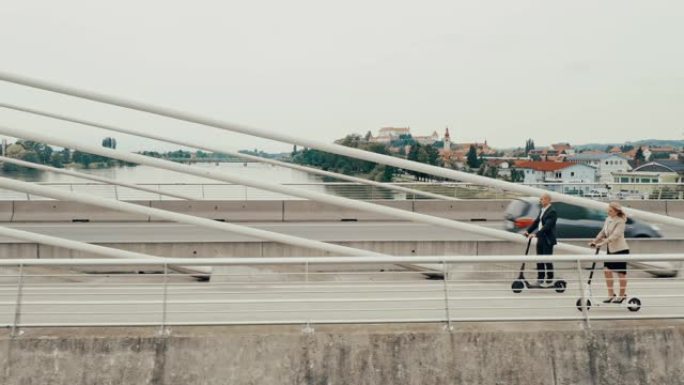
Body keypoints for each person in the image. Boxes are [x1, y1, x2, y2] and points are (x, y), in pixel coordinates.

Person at [590, 201, 630, 304]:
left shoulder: (620, 221)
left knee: (621, 273)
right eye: (608, 210)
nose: (608, 212)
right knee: (607, 271)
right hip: (611, 250)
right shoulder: (608, 219)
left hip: (620, 250)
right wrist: (595, 241)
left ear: (616, 211)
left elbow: (615, 235)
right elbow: (603, 232)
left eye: (610, 211)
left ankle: (621, 295)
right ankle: (611, 294)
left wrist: (603, 243)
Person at [523, 193, 558, 285]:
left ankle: (550, 277)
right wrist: (528, 231)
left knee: (546, 259)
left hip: (547, 239)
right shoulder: (542, 210)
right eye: (540, 199)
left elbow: (547, 226)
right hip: (541, 238)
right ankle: (540, 278)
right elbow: (536, 222)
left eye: (542, 199)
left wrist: (535, 234)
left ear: (547, 200)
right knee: (539, 259)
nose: (540, 200)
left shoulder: (552, 211)